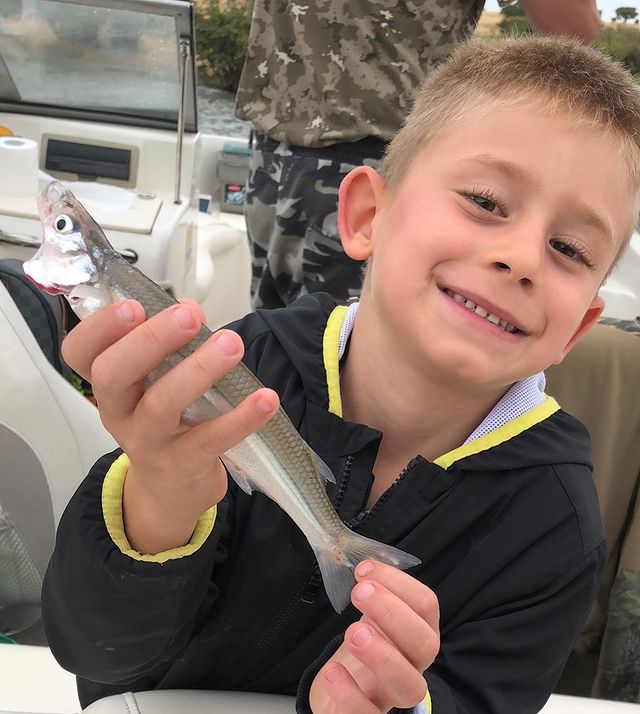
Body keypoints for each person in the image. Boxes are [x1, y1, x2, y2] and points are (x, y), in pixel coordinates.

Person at [41, 36, 640, 714]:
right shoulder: (244, 361)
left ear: (577, 330)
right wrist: (160, 494)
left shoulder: (556, 525)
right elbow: (94, 651)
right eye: (485, 201)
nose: (523, 257)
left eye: (569, 249)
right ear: (365, 217)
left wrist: (400, 707)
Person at [234, 0, 600, 309]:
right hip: (271, 149)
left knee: (342, 358)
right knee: (274, 348)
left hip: (383, 157)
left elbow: (574, 28)